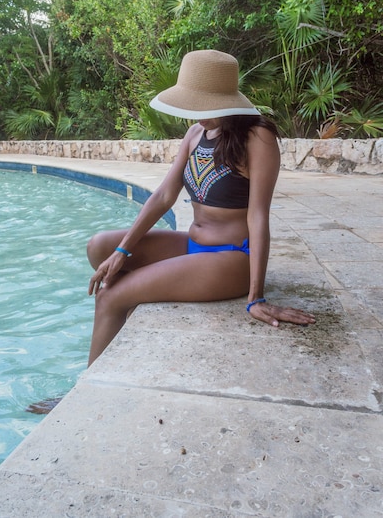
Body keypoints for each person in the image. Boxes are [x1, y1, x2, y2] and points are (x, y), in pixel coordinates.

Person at [86, 49, 315, 367]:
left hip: (232, 258)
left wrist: (256, 297)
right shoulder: (196, 133)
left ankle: (89, 386)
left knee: (110, 295)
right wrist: (122, 251)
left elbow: (258, 216)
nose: (197, 114)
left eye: (206, 105)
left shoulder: (257, 138)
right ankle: (140, 297)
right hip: (192, 244)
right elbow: (165, 195)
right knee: (99, 247)